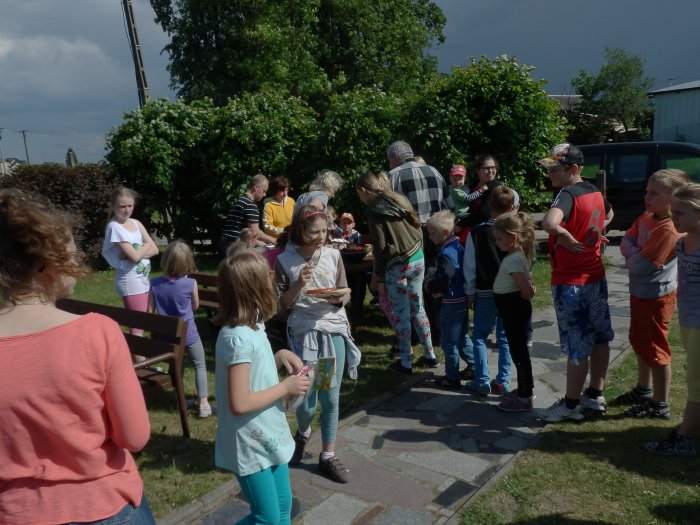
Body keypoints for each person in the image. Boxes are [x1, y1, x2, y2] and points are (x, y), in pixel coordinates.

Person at [0, 189, 154, 525]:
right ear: (46, 264)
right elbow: (134, 436)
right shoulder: (98, 332)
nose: (79, 262)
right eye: (71, 253)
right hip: (105, 506)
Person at [214, 250, 311, 523]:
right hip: (249, 442)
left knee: (283, 508)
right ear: (253, 288)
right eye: (267, 276)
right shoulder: (237, 339)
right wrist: (286, 387)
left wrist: (278, 357)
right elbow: (240, 402)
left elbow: (253, 373)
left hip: (267, 434)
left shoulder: (255, 325)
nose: (272, 278)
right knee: (267, 518)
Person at [274, 206, 362, 483]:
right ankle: (303, 432)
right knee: (306, 397)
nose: (322, 237)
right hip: (304, 333)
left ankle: (328, 454)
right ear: (301, 231)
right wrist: (298, 284)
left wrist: (339, 298)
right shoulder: (285, 260)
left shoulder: (333, 255)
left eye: (325, 231)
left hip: (332, 330)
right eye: (315, 232)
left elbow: (345, 292)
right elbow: (281, 306)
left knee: (330, 393)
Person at [539, 143, 615, 422]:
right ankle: (595, 394)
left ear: (573, 169)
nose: (550, 174)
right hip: (595, 275)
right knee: (600, 337)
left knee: (577, 345)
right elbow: (609, 213)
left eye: (554, 169)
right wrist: (595, 230)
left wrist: (564, 234)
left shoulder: (567, 194)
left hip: (570, 280)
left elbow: (549, 223)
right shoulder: (593, 190)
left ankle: (570, 405)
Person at [616, 169, 689, 419]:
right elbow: (626, 241)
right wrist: (634, 252)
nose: (647, 197)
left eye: (654, 193)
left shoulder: (668, 229)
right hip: (641, 292)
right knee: (640, 341)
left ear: (673, 198)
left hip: (656, 297)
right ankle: (643, 389)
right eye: (647, 192)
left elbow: (640, 266)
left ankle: (660, 404)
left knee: (656, 348)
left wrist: (632, 253)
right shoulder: (647, 217)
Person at [356, 171, 436, 374]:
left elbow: (381, 247)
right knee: (418, 308)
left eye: (359, 195)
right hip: (417, 257)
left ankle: (406, 362)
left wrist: (378, 276)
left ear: (364, 190)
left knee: (401, 314)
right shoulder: (398, 199)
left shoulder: (375, 210)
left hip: (397, 264)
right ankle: (430, 355)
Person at [646, 183, 700, 456]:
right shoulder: (681, 242)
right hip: (689, 320)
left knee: (696, 383)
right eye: (673, 211)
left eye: (680, 213)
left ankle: (686, 438)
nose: (673, 217)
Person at [463, 186, 517, 396]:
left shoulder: (477, 232)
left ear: (488, 206)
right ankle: (503, 380)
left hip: (485, 289)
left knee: (479, 336)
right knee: (505, 336)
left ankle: (482, 380)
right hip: (510, 290)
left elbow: (469, 265)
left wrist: (469, 290)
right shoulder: (515, 232)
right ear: (512, 207)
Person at [150, 240, 212, 418]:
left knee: (178, 366)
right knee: (199, 364)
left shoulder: (154, 284)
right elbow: (195, 306)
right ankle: (203, 403)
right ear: (187, 262)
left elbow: (150, 311)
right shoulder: (190, 283)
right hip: (189, 333)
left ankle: (179, 399)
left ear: (165, 261)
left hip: (167, 336)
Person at [492, 212, 537, 412]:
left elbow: (526, 291)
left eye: (500, 239)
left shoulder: (513, 260)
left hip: (514, 309)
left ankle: (525, 396)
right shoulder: (516, 256)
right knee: (518, 352)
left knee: (519, 353)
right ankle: (524, 390)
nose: (496, 243)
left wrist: (529, 289)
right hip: (511, 309)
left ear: (513, 237)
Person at [425, 211, 474, 388]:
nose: (429, 237)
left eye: (432, 233)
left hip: (451, 300)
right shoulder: (458, 246)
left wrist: (434, 288)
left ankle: (452, 377)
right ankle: (475, 365)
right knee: (461, 337)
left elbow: (446, 276)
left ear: (445, 233)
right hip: (461, 297)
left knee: (448, 341)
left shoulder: (446, 253)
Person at [102, 186, 159, 335]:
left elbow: (155, 249)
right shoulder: (115, 227)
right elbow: (136, 256)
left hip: (142, 278)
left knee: (143, 320)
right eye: (122, 206)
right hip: (130, 281)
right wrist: (145, 246)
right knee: (137, 326)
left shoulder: (136, 223)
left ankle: (137, 349)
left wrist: (136, 253)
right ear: (113, 206)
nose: (127, 210)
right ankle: (137, 351)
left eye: (130, 206)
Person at [220, 174, 275, 256]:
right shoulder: (250, 205)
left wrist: (263, 243)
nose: (265, 195)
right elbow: (256, 233)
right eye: (264, 191)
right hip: (237, 248)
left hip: (226, 245)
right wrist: (276, 241)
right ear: (256, 188)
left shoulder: (240, 201)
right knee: (270, 252)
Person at [462, 154, 504, 229]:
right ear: (477, 170)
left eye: (493, 167)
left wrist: (461, 224)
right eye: (487, 168)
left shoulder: (497, 188)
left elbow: (484, 213)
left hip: (487, 230)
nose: (490, 171)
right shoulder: (472, 186)